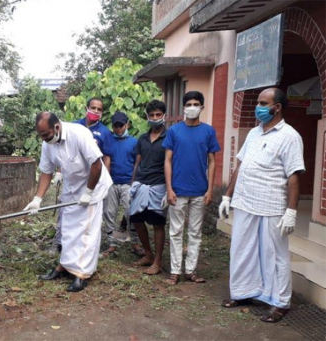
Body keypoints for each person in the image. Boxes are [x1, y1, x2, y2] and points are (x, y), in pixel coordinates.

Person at [219, 88, 304, 323]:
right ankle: (243, 293)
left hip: (271, 205)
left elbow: (294, 176)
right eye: (257, 102)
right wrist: (227, 196)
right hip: (246, 201)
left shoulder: (290, 136)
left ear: (276, 107)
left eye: (263, 103)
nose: (258, 107)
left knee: (274, 255)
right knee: (242, 249)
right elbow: (241, 166)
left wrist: (291, 212)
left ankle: (280, 302)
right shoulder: (255, 133)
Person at [24, 112, 112, 292]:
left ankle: (82, 273)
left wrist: (88, 192)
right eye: (41, 136)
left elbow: (96, 164)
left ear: (56, 127)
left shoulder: (78, 134)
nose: (44, 139)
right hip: (72, 186)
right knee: (68, 229)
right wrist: (37, 199)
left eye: (46, 135)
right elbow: (47, 172)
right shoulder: (47, 143)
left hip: (92, 185)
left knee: (87, 230)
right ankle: (65, 265)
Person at [162, 91, 220, 285]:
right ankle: (175, 271)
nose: (192, 107)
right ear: (184, 107)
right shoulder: (174, 131)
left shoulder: (208, 131)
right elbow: (167, 161)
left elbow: (212, 162)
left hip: (199, 191)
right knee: (176, 232)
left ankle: (191, 270)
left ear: (202, 107)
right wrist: (169, 188)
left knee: (195, 232)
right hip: (177, 190)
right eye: (189, 104)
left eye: (196, 103)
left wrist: (210, 189)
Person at [129, 100, 168, 275]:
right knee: (136, 219)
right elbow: (138, 161)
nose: (155, 118)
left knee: (158, 223)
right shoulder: (143, 138)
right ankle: (148, 254)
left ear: (164, 116)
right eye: (151, 115)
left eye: (158, 114)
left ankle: (158, 262)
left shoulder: (169, 137)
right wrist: (133, 182)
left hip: (159, 185)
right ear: (147, 117)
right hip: (141, 183)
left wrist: (170, 188)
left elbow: (172, 163)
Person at [100, 111, 141, 257]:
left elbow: (137, 163)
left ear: (127, 124)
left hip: (127, 183)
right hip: (111, 183)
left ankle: (134, 242)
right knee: (109, 213)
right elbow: (106, 161)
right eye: (115, 125)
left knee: (131, 213)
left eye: (121, 125)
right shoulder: (108, 140)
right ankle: (113, 243)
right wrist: (105, 182)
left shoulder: (134, 142)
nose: (118, 128)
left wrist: (134, 181)